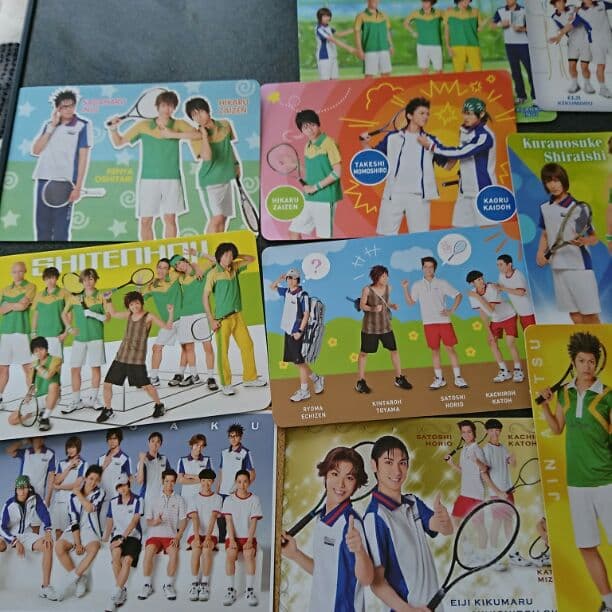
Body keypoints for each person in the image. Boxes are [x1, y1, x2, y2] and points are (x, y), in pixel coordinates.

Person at [538, 331, 612, 612]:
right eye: (582, 361)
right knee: (586, 545)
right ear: (573, 362)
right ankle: (609, 602)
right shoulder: (565, 393)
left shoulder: (608, 396)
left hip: (607, 480)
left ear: (597, 363)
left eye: (591, 361)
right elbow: (557, 429)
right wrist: (544, 406)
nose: (587, 366)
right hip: (577, 482)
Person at [364, 436, 453, 611]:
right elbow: (377, 583)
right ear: (374, 465)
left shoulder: (413, 502)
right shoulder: (375, 517)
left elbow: (445, 529)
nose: (397, 471)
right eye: (388, 462)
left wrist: (444, 520)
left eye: (402, 463)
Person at [281, 447, 374, 612]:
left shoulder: (351, 524)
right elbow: (324, 572)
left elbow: (366, 579)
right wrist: (295, 554)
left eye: (349, 478)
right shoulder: (321, 518)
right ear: (325, 476)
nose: (340, 484)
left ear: (356, 484)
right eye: (335, 474)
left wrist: (360, 551)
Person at [107, 89, 197, 240]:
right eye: (164, 105)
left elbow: (198, 134)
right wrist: (113, 129)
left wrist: (173, 134)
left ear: (174, 108)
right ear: (157, 107)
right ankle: (149, 251)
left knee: (170, 219)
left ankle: (169, 251)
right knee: (145, 221)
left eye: (170, 106)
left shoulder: (179, 124)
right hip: (148, 179)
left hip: (171, 178)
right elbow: (119, 142)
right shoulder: (143, 125)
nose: (167, 109)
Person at [361, 97, 447, 235]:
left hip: (419, 197)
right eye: (422, 113)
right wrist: (365, 144)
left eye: (427, 114)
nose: (426, 117)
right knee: (385, 237)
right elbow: (375, 158)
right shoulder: (391, 138)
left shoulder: (431, 140)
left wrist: (465, 151)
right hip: (393, 194)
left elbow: (447, 164)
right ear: (409, 115)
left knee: (420, 238)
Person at [535, 162, 601, 324]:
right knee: (574, 313)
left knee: (589, 314)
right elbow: (545, 233)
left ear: (563, 180)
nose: (553, 185)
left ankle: (601, 339)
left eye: (556, 180)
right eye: (549, 181)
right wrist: (540, 252)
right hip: (557, 266)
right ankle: (583, 340)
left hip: (579, 266)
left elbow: (594, 237)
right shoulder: (545, 208)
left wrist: (583, 241)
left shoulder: (578, 208)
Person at [417, 98, 496, 227]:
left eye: (469, 114)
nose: (465, 117)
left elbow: (462, 152)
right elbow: (457, 155)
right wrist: (447, 162)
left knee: (488, 231)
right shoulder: (465, 131)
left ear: (481, 114)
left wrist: (431, 146)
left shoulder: (485, 136)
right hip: (464, 191)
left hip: (483, 192)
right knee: (460, 229)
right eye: (464, 113)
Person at [96, 290, 171, 423]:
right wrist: (108, 300)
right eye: (131, 305)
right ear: (128, 306)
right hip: (121, 356)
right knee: (107, 384)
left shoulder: (148, 316)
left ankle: (159, 405)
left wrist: (170, 313)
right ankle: (108, 409)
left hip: (136, 360)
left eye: (136, 303)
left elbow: (167, 327)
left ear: (141, 303)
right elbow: (113, 313)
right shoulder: (129, 315)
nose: (134, 306)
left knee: (146, 386)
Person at [203, 242, 267, 396]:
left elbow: (251, 259)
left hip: (237, 315)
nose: (229, 258)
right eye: (226, 255)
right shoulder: (213, 274)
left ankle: (250, 378)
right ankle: (226, 384)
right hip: (222, 320)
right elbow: (205, 297)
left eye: (231, 255)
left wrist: (236, 255)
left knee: (247, 345)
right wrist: (211, 320)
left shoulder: (235, 267)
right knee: (223, 352)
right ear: (219, 256)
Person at [30, 88, 92, 240]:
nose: (69, 109)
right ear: (57, 108)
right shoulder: (49, 125)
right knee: (42, 228)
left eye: (72, 105)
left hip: (65, 182)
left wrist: (78, 188)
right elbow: (36, 151)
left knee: (61, 230)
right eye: (64, 107)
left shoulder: (82, 125)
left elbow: (83, 158)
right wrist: (52, 126)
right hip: (43, 179)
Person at [402, 256, 468, 390]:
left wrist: (452, 310)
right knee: (435, 351)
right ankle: (439, 379)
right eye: (425, 267)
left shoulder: (442, 283)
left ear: (434, 269)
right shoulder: (417, 285)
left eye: (430, 267)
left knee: (450, 349)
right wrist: (405, 288)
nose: (428, 269)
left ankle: (458, 378)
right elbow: (410, 303)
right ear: (422, 268)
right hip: (428, 323)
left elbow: (458, 295)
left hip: (444, 322)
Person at [185, 96, 241, 232]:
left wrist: (236, 164)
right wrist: (204, 136)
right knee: (216, 218)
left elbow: (228, 146)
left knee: (224, 219)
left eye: (200, 112)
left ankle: (218, 244)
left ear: (208, 110)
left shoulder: (225, 124)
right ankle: (209, 245)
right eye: (194, 115)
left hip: (226, 178)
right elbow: (207, 157)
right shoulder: (196, 135)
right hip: (210, 180)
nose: (198, 117)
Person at [270, 268, 325, 402]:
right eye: (288, 278)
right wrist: (280, 279)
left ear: (297, 280)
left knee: (299, 361)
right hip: (288, 331)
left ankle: (305, 391)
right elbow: (272, 287)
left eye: (292, 278)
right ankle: (316, 379)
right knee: (298, 362)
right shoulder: (287, 292)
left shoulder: (302, 295)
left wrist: (300, 331)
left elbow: (306, 314)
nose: (289, 280)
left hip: (297, 332)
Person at [0, 475, 59, 600]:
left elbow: (44, 514)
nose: (22, 491)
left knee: (48, 544)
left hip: (26, 535)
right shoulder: (9, 504)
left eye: (25, 488)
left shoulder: (35, 499)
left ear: (28, 488)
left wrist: (48, 530)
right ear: (16, 489)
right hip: (9, 535)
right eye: (19, 488)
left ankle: (45, 587)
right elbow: (2, 528)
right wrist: (15, 541)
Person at [355, 265, 412, 394]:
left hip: (386, 327)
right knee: (364, 354)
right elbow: (362, 305)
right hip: (370, 328)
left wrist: (392, 305)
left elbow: (386, 301)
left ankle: (399, 378)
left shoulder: (388, 288)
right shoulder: (367, 290)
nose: (386, 278)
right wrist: (373, 308)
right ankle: (361, 381)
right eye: (383, 276)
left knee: (394, 351)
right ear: (376, 277)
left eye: (386, 276)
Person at [445, 420, 508, 534]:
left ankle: (483, 545)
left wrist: (498, 492)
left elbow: (484, 471)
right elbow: (466, 472)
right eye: (463, 432)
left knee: (479, 528)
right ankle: (464, 542)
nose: (466, 435)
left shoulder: (477, 450)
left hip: (475, 495)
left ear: (474, 432)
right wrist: (452, 464)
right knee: (454, 519)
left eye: (469, 432)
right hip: (464, 493)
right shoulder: (464, 448)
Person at [61, 268, 109, 414]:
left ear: (96, 280)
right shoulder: (74, 298)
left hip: (96, 337)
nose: (88, 282)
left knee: (95, 368)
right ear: (81, 281)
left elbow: (107, 318)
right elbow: (64, 314)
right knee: (75, 369)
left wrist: (93, 314)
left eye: (91, 279)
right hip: (79, 339)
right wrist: (69, 328)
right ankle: (76, 401)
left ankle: (93, 399)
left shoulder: (102, 296)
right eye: (85, 279)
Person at [289, 109, 342, 240]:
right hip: (310, 198)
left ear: (318, 124)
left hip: (326, 199)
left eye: (312, 125)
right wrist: (295, 165)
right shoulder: (307, 145)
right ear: (301, 130)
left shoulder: (329, 142)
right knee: (294, 231)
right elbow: (313, 170)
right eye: (305, 127)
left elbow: (337, 172)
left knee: (324, 239)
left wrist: (315, 187)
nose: (310, 130)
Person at [54, 464, 105, 600]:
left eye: (96, 480)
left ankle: (67, 583)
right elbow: (74, 520)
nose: (93, 482)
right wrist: (77, 543)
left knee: (94, 547)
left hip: (90, 529)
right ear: (86, 478)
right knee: (59, 546)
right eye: (91, 478)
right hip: (74, 530)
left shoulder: (100, 493)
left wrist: (78, 494)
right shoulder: (72, 496)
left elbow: (90, 508)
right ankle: (79, 579)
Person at [169, 252, 217, 390]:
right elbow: (167, 275)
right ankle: (194, 376)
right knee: (188, 348)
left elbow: (216, 261)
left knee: (207, 346)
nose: (179, 266)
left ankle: (210, 377)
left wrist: (198, 258)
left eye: (179, 262)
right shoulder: (181, 279)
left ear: (185, 260)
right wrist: (194, 266)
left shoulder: (202, 269)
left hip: (202, 313)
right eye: (176, 266)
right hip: (185, 315)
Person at [466, 270, 524, 383]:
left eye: (482, 278)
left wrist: (478, 297)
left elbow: (491, 310)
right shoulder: (472, 294)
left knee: (510, 343)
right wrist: (489, 333)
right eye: (478, 280)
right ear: (472, 283)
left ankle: (518, 370)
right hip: (496, 320)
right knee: (492, 343)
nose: (482, 281)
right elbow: (483, 314)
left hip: (508, 316)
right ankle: (504, 371)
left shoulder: (491, 289)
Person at [138, 468, 187, 602]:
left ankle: (168, 585)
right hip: (154, 536)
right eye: (167, 481)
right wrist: (155, 522)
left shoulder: (179, 500)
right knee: (148, 553)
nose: (169, 484)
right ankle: (147, 585)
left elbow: (183, 520)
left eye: (172, 481)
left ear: (175, 482)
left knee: (174, 554)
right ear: (162, 481)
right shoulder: (153, 500)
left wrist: (178, 536)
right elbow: (148, 521)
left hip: (171, 536)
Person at [221, 470, 263, 607]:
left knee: (249, 555)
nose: (242, 484)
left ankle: (249, 590)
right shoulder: (229, 500)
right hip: (233, 537)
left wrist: (250, 541)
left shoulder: (255, 499)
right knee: (230, 554)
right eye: (239, 482)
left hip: (248, 537)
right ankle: (230, 590)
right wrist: (232, 540)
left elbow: (254, 522)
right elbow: (228, 521)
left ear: (249, 482)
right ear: (236, 482)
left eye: (245, 481)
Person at [479, 418, 517, 571]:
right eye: (492, 430)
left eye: (497, 430)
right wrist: (498, 492)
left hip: (508, 492)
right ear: (487, 432)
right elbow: (484, 475)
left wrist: (513, 460)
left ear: (500, 431)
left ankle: (513, 553)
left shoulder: (503, 448)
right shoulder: (485, 450)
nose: (495, 433)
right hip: (497, 494)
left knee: (509, 521)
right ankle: (493, 556)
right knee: (497, 522)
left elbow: (512, 464)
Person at [102, 473, 144, 611]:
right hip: (117, 535)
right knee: (115, 557)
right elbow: (110, 520)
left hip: (133, 536)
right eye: (119, 486)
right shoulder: (113, 502)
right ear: (117, 488)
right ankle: (121, 590)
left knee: (126, 561)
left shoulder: (138, 500)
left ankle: (115, 595)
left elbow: (134, 521)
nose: (122, 488)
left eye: (125, 485)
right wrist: (105, 538)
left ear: (129, 485)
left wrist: (122, 539)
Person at [7, 337, 62, 431]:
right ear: (33, 352)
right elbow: (32, 383)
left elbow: (48, 376)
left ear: (46, 349)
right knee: (12, 419)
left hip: (52, 396)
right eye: (36, 351)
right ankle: (38, 413)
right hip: (38, 398)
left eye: (41, 349)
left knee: (53, 385)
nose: (39, 352)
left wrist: (37, 366)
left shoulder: (56, 360)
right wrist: (28, 395)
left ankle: (45, 418)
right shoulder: (34, 364)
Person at [0, 261, 35, 408]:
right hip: (5, 333)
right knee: (2, 368)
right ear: (11, 273)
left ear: (25, 271)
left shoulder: (30, 286)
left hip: (21, 332)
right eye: (14, 272)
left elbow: (23, 306)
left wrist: (8, 305)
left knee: (27, 367)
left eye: (20, 271)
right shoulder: (5, 289)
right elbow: (1, 310)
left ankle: (31, 398)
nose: (17, 274)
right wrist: (16, 305)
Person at [187, 468, 223, 602]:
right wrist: (197, 537)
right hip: (195, 532)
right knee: (196, 550)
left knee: (207, 550)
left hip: (211, 532)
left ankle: (204, 584)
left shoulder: (217, 498)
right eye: (203, 481)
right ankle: (194, 583)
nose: (206, 484)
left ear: (212, 482)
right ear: (200, 481)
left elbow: (213, 517)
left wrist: (208, 537)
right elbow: (195, 518)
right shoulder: (194, 498)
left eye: (209, 481)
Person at [217, 423, 256, 544]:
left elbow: (252, 474)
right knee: (221, 518)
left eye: (236, 436)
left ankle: (235, 543)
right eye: (231, 436)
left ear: (241, 437)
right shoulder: (224, 452)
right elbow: (221, 472)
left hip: (236, 493)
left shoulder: (245, 453)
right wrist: (217, 490)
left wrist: (241, 489)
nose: (233, 439)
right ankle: (222, 543)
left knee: (235, 520)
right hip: (222, 492)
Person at [492, 0, 536, 105]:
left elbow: (534, 26)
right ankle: (521, 96)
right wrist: (500, 24)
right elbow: (492, 25)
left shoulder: (524, 10)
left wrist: (523, 29)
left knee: (530, 70)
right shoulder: (500, 10)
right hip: (509, 45)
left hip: (524, 44)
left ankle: (535, 97)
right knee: (515, 72)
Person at [50, 436, 88, 539]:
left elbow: (77, 485)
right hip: (59, 501)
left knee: (70, 531)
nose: (70, 450)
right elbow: (56, 480)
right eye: (68, 447)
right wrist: (70, 466)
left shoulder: (83, 464)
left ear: (78, 448)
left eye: (73, 447)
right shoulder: (61, 464)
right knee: (58, 531)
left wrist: (59, 487)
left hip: (72, 501)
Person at [5, 436, 55, 511]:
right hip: (22, 493)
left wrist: (48, 499)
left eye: (40, 438)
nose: (38, 440)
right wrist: (24, 441)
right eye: (35, 438)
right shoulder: (26, 452)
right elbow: (9, 451)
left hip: (38, 495)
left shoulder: (49, 454)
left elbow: (51, 477)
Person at [574, 0, 612, 98]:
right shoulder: (580, 12)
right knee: (601, 65)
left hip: (609, 38)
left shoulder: (602, 4)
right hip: (595, 41)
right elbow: (572, 24)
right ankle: (603, 89)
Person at [31, 266, 69, 358]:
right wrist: (33, 332)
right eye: (47, 278)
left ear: (56, 278)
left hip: (56, 335)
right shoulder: (39, 295)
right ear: (44, 279)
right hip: (40, 336)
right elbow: (36, 315)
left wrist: (66, 333)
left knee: (56, 363)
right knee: (40, 364)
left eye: (52, 278)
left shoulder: (64, 293)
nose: (50, 281)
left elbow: (69, 314)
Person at [97, 429, 132, 522]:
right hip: (103, 501)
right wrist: (104, 465)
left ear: (119, 440)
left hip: (118, 502)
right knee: (103, 529)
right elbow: (95, 479)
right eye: (110, 439)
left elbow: (129, 481)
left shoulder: (124, 459)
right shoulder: (101, 459)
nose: (112, 441)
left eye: (115, 438)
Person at [495, 254, 536, 330]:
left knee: (532, 333)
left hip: (529, 311)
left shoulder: (518, 275)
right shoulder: (501, 275)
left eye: (501, 264)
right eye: (497, 265)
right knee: (526, 333)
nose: (499, 267)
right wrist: (495, 287)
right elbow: (500, 286)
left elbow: (521, 292)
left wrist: (503, 288)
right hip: (520, 312)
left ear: (509, 265)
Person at [354, 0, 394, 77]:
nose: (375, 1)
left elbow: (387, 32)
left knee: (386, 75)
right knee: (369, 76)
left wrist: (391, 45)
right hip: (369, 50)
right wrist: (360, 50)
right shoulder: (361, 16)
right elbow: (357, 34)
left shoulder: (384, 15)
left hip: (384, 49)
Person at [444, 0, 486, 72]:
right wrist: (448, 47)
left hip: (473, 45)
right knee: (458, 73)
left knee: (478, 71)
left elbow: (478, 29)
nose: (467, 1)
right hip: (457, 46)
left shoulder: (475, 11)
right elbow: (447, 31)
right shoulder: (449, 12)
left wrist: (484, 23)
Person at [404, 0, 444, 74]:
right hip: (422, 45)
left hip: (436, 44)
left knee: (439, 70)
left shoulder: (439, 12)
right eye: (422, 2)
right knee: (424, 70)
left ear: (431, 3)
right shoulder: (415, 13)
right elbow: (406, 23)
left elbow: (448, 19)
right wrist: (413, 32)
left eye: (426, 2)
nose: (423, 4)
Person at [314, 7, 355, 80]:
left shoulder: (329, 28)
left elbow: (339, 34)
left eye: (328, 16)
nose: (327, 18)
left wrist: (354, 29)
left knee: (335, 80)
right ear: (319, 17)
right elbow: (333, 40)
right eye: (324, 16)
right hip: (324, 58)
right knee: (325, 81)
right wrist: (349, 48)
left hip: (333, 56)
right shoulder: (319, 29)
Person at [136, 430, 170, 510]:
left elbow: (170, 477)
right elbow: (139, 481)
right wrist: (142, 460)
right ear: (149, 443)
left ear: (160, 444)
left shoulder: (164, 459)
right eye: (153, 441)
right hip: (147, 498)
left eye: (158, 442)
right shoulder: (143, 461)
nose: (155, 444)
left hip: (162, 498)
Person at [177, 433, 213, 505]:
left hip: (203, 497)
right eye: (197, 445)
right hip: (186, 497)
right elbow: (180, 480)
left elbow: (210, 479)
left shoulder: (207, 460)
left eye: (201, 446)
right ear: (191, 445)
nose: (199, 448)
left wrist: (190, 476)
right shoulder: (182, 460)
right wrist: (201, 479)